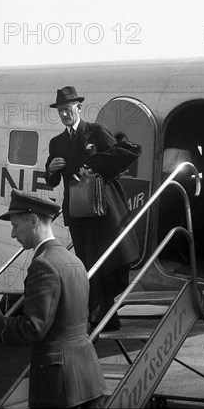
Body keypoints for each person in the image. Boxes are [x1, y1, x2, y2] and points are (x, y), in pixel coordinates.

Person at [0, 189, 106, 409]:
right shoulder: (74, 260)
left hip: (60, 386)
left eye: (15, 226)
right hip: (88, 377)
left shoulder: (43, 263)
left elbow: (33, 328)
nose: (13, 234)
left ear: (33, 221)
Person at [44, 86, 140, 331]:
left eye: (68, 108)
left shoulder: (95, 132)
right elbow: (52, 181)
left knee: (104, 261)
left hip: (100, 209)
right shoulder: (57, 142)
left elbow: (120, 157)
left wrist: (93, 165)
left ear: (78, 108)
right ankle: (102, 317)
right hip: (77, 211)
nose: (65, 114)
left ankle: (99, 317)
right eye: (61, 110)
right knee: (86, 262)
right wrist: (51, 169)